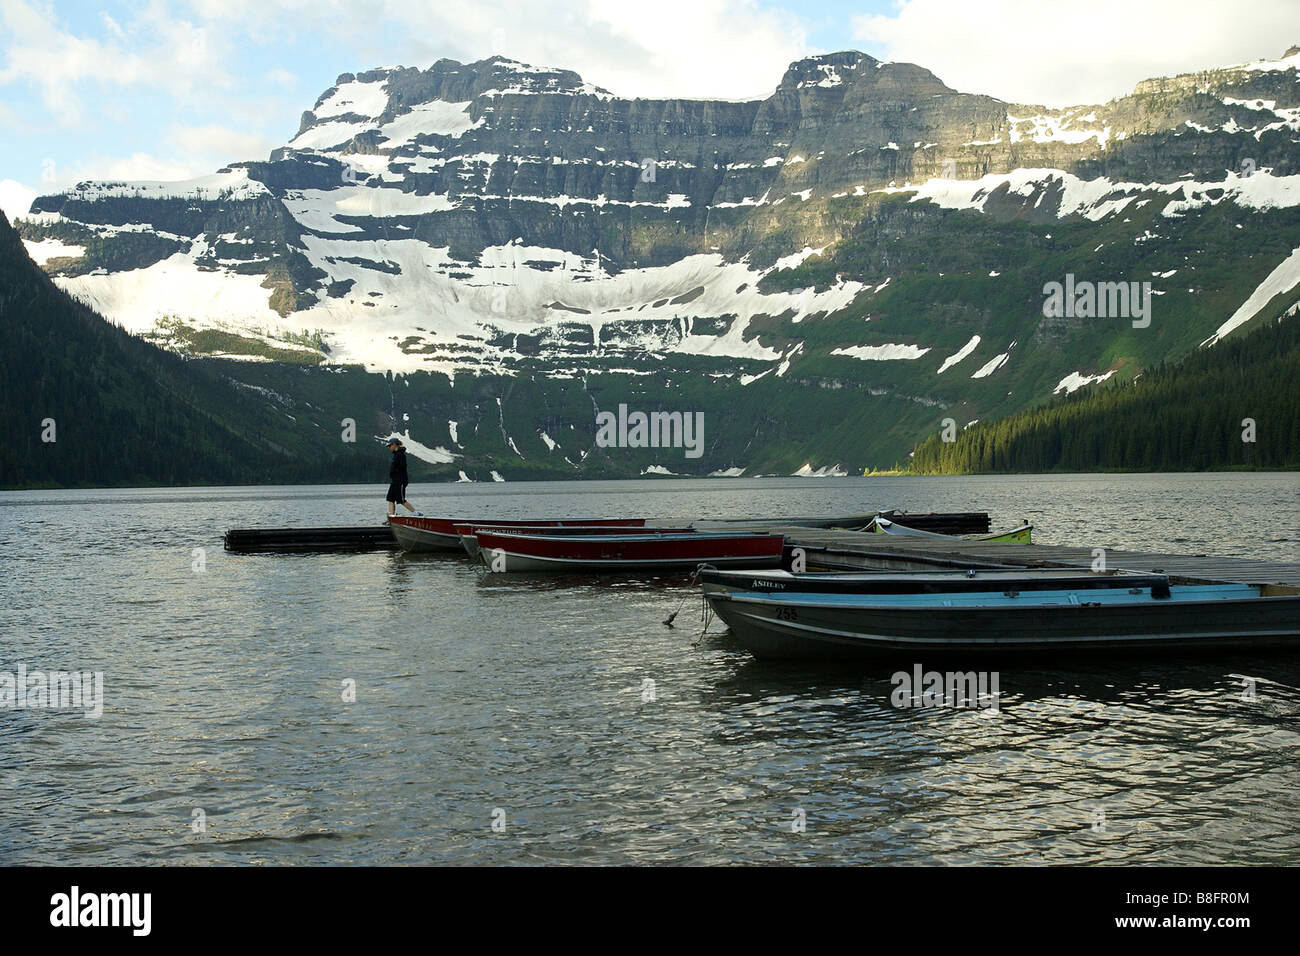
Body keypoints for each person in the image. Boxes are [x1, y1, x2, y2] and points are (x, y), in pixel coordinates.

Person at [385, 437, 421, 517]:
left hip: (400, 481)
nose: (389, 448)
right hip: (394, 481)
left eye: (390, 446)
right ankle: (392, 516)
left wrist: (394, 472)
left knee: (401, 500)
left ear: (394, 445)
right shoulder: (396, 454)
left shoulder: (400, 454)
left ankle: (416, 513)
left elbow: (402, 466)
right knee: (390, 499)